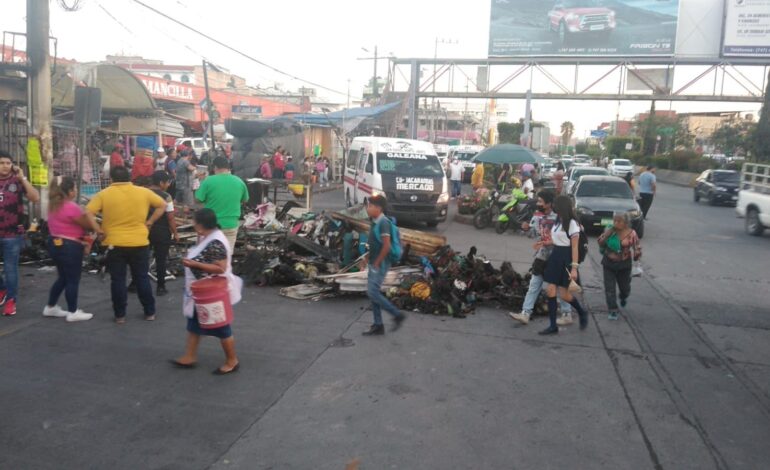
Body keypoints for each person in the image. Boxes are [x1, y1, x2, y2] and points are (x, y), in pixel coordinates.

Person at [86, 166, 166, 324]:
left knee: (117, 280)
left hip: (114, 244)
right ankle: (149, 312)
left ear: (111, 180)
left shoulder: (104, 194)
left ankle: (120, 315)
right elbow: (162, 205)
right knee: (142, 277)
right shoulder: (143, 192)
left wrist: (98, 230)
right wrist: (149, 222)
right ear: (129, 178)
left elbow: (88, 212)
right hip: (140, 242)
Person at [172, 208, 242, 375]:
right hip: (201, 292)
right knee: (195, 324)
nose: (193, 224)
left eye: (195, 222)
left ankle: (232, 360)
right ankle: (189, 356)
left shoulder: (216, 241)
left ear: (201, 225)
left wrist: (195, 264)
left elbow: (220, 268)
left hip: (211, 294)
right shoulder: (209, 237)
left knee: (221, 327)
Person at [509, 190, 573, 326]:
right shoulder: (537, 216)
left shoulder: (560, 217)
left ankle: (567, 314)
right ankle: (525, 313)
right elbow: (532, 234)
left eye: (540, 202)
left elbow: (567, 238)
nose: (538, 204)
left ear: (549, 203)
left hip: (557, 257)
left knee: (560, 286)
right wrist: (526, 228)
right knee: (534, 285)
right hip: (542, 256)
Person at [43, 176, 101, 322]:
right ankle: (73, 311)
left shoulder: (52, 205)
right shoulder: (71, 207)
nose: (76, 190)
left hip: (54, 243)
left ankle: (50, 307)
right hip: (70, 246)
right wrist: (92, 220)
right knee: (73, 279)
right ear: (68, 191)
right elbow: (87, 225)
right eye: (74, 188)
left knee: (63, 277)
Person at [539, 195, 590, 335]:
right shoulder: (558, 220)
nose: (553, 206)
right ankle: (552, 326)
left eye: (556, 204)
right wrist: (548, 242)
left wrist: (574, 268)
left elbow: (574, 247)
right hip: (555, 256)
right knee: (551, 290)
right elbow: (558, 240)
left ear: (561, 206)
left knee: (565, 295)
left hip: (566, 258)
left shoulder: (572, 223)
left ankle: (581, 312)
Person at [0, 150, 41, 316]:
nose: (5, 166)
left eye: (8, 163)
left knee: (10, 268)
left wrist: (23, 178)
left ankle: (11, 300)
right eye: (1, 163)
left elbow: (35, 197)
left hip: (12, 234)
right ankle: (2, 288)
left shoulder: (17, 181)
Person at [361, 195, 406, 336]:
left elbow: (386, 246)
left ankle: (397, 314)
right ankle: (378, 325)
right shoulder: (375, 222)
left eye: (370, 206)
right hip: (374, 261)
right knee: (374, 293)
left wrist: (376, 263)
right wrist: (367, 258)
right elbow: (375, 244)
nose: (368, 209)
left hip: (381, 263)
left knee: (372, 292)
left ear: (378, 208)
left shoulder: (383, 223)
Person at [196, 157, 249, 251]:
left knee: (209, 256)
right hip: (231, 225)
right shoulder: (239, 181)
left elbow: (198, 199)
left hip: (211, 225)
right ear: (228, 167)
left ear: (215, 167)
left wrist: (200, 182)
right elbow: (245, 200)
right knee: (226, 256)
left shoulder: (208, 180)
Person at [598, 213, 642, 320]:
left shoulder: (632, 233)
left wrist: (637, 254)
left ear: (626, 223)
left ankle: (623, 296)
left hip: (624, 265)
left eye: (619, 221)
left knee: (624, 288)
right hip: (608, 263)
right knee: (609, 288)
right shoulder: (609, 230)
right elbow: (600, 243)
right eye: (614, 221)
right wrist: (607, 234)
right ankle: (613, 310)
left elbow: (637, 247)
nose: (616, 223)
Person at [148, 171, 179, 296]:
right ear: (161, 183)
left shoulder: (143, 192)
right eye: (167, 183)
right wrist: (175, 233)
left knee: (141, 258)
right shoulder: (166, 197)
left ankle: (134, 283)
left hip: (144, 230)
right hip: (162, 231)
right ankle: (161, 286)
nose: (168, 185)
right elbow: (170, 217)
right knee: (161, 259)